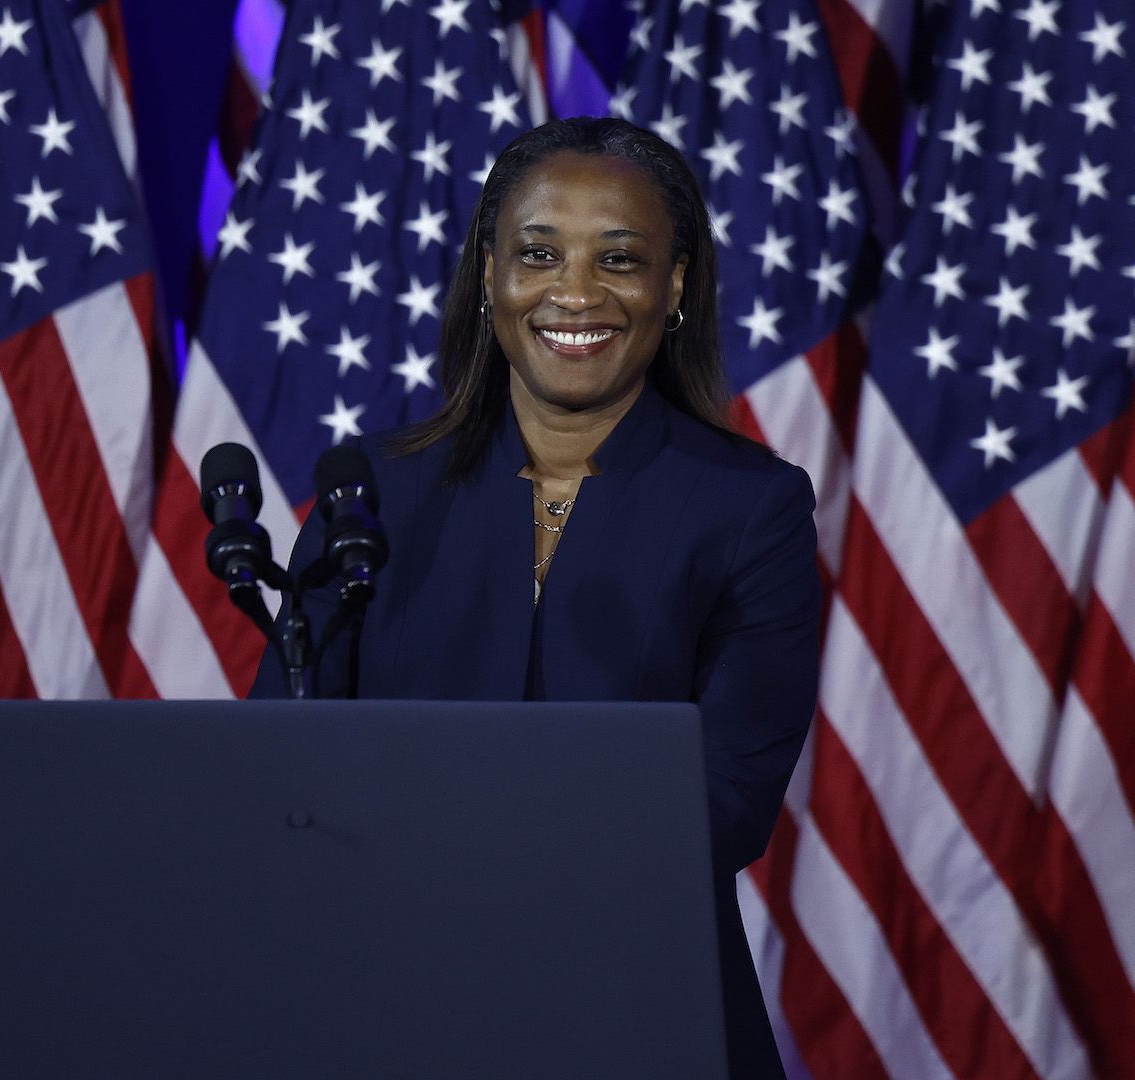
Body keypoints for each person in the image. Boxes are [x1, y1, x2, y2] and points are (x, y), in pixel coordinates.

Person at [251, 116, 819, 1079]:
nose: (576, 292)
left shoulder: (753, 510)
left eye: (622, 257)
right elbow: (279, 772)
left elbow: (727, 805)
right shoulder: (372, 496)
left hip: (644, 1007)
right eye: (540, 252)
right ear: (489, 272)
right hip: (392, 1008)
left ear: (674, 286)